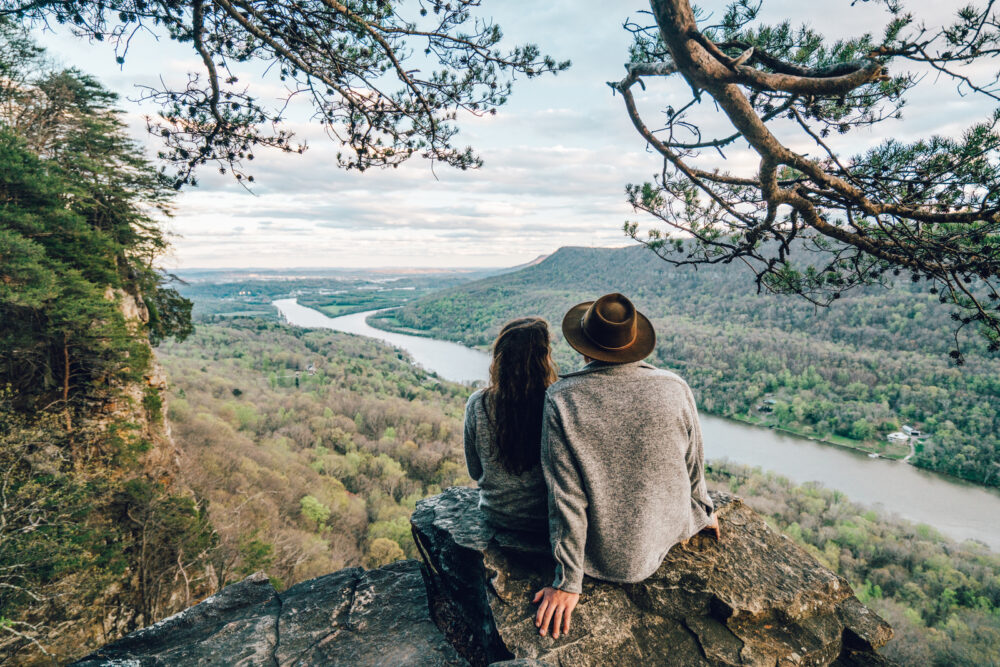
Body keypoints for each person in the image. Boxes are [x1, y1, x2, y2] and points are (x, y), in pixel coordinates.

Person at [532, 293, 720, 639]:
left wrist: (568, 582)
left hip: (605, 556)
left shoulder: (562, 399)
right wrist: (704, 509)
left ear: (583, 346)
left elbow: (566, 498)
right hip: (669, 531)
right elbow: (694, 462)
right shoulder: (675, 388)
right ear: (634, 343)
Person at [464, 317, 559, 532]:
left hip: (497, 515)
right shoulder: (558, 402)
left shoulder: (478, 404)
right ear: (544, 358)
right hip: (545, 519)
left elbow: (474, 470)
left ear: (500, 358)